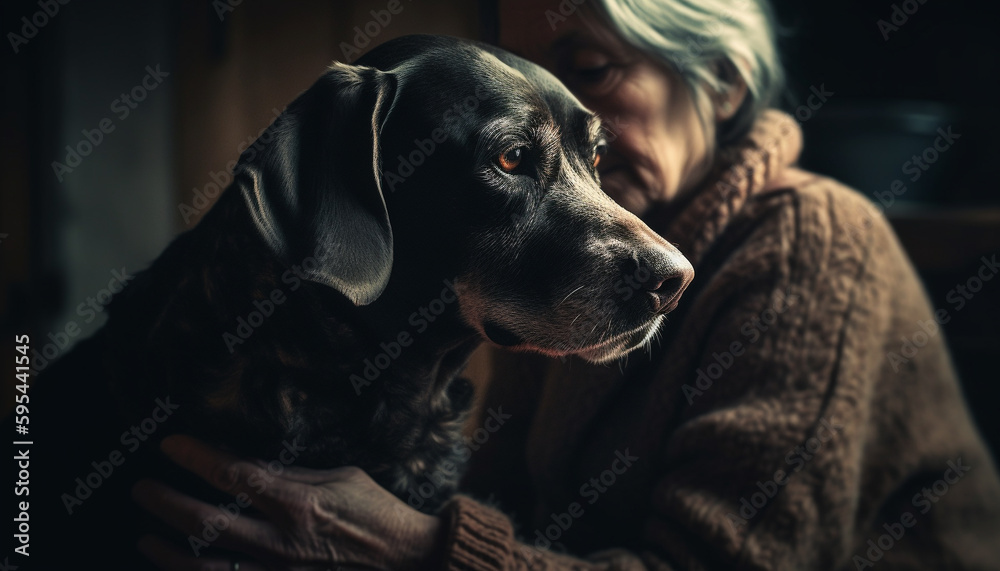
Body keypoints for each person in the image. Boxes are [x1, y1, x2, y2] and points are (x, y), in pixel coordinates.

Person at [133, 0, 1000, 569]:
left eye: (585, 70)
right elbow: (528, 518)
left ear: (721, 85)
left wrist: (417, 551)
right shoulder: (542, 266)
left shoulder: (813, 243)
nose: (541, 100)